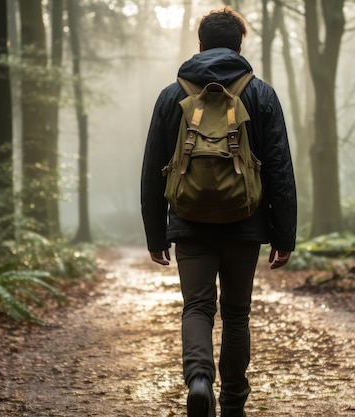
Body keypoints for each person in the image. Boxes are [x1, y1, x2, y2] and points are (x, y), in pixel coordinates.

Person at [140, 7, 297, 417]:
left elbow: (153, 167)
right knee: (237, 314)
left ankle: (199, 380)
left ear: (200, 45)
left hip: (190, 223)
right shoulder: (260, 93)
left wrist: (156, 235)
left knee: (197, 307)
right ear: (240, 45)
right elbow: (279, 166)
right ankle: (232, 405)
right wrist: (284, 236)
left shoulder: (172, 95)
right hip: (244, 222)